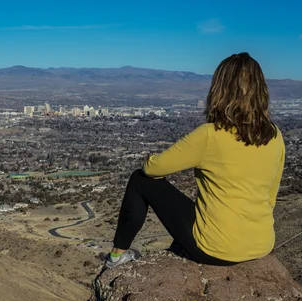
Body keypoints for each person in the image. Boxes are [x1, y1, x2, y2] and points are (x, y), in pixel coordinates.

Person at [106, 52, 285, 268]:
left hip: (216, 248)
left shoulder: (211, 134)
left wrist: (150, 158)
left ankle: (117, 256)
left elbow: (153, 168)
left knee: (140, 179)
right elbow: (271, 195)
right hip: (262, 243)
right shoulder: (274, 134)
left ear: (220, 89)